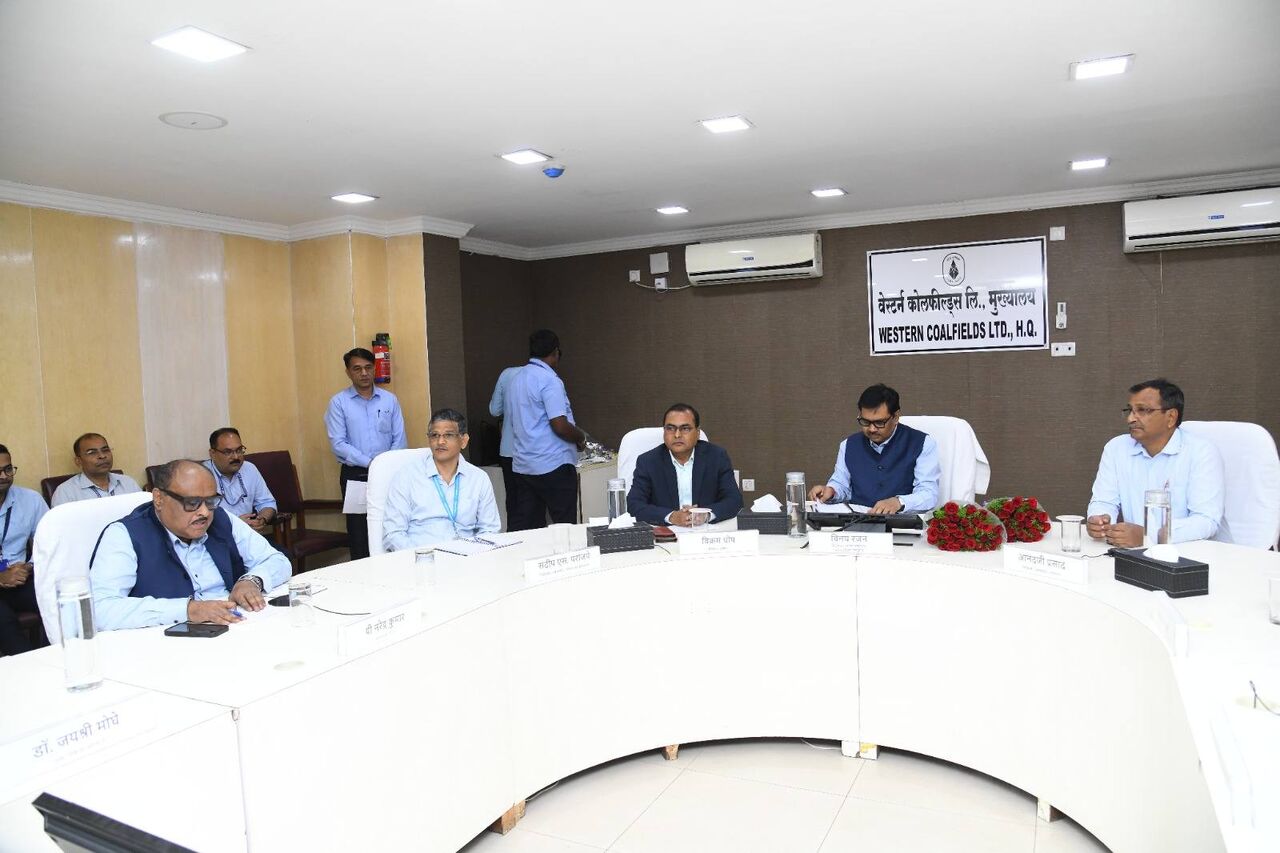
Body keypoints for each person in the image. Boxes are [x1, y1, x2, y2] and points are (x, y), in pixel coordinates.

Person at [89, 460, 292, 630]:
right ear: (159, 498)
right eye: (192, 503)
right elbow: (99, 610)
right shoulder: (124, 535)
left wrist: (252, 580)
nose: (204, 512)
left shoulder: (221, 519)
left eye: (211, 501)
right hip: (165, 644)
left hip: (236, 627)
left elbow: (277, 560)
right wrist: (188, 610)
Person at [1087, 379, 1225, 547]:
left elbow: (1206, 521)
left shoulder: (1201, 452)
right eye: (1130, 410)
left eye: (1142, 410)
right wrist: (1100, 520)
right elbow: (1104, 501)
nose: (1131, 418)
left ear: (1171, 417)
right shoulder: (1116, 448)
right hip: (1134, 553)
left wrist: (1148, 535)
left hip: (1189, 552)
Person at [325, 347, 407, 559]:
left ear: (374, 369)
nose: (363, 373)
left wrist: (387, 467)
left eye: (368, 367)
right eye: (357, 368)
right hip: (356, 476)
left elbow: (399, 438)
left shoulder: (390, 400)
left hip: (389, 475)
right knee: (359, 533)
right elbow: (338, 443)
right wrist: (372, 464)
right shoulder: (338, 403)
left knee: (391, 526)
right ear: (348, 372)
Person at [809, 383, 941, 514]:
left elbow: (929, 493)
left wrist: (899, 502)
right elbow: (841, 484)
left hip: (901, 522)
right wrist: (831, 491)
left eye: (879, 422)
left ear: (895, 417)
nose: (872, 429)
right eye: (865, 422)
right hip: (857, 521)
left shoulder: (923, 443)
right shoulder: (848, 445)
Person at [382, 408, 501, 552]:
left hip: (467, 557)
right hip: (422, 557)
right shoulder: (406, 477)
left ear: (463, 441)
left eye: (448, 435)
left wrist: (475, 554)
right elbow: (393, 534)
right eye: (434, 435)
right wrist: (424, 556)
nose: (440, 441)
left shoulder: (478, 479)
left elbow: (490, 529)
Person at [507, 330, 586, 530]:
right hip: (553, 465)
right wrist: (580, 437)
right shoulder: (549, 380)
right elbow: (559, 425)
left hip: (524, 466)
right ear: (556, 352)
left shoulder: (516, 380)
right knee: (564, 528)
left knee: (531, 529)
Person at [627, 403, 743, 526]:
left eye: (685, 428)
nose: (677, 435)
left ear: (697, 433)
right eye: (670, 428)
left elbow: (734, 500)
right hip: (666, 531)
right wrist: (671, 516)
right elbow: (634, 504)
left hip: (706, 530)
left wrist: (706, 515)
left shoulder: (716, 457)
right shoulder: (648, 461)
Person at [0, 445, 49, 656]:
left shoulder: (30, 499)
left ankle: (56, 657)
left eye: (8, 469)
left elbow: (49, 544)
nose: (4, 476)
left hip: (21, 577)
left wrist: (28, 567)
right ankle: (30, 667)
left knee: (55, 603)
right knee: (4, 621)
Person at [202, 428, 277, 535]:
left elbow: (267, 502)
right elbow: (198, 516)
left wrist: (262, 519)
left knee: (279, 547)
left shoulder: (250, 469)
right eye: (228, 452)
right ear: (212, 453)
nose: (236, 457)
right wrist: (235, 524)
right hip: (218, 537)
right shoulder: (201, 474)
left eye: (239, 450)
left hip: (249, 536)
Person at [50, 433, 141, 506]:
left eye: (105, 450)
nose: (102, 456)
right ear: (78, 461)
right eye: (92, 453)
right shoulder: (66, 492)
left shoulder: (128, 483)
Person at [488, 363, 525, 523]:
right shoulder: (547, 377)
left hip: (508, 449)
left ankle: (514, 532)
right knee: (534, 502)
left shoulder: (507, 374)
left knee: (513, 499)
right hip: (535, 451)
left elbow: (494, 410)